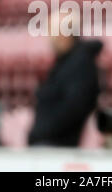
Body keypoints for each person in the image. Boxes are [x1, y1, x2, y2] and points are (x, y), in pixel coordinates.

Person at [28, 13, 102, 147]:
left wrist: (43, 131)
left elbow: (74, 107)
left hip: (58, 145)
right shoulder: (66, 62)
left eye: (53, 33)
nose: (50, 39)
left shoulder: (79, 64)